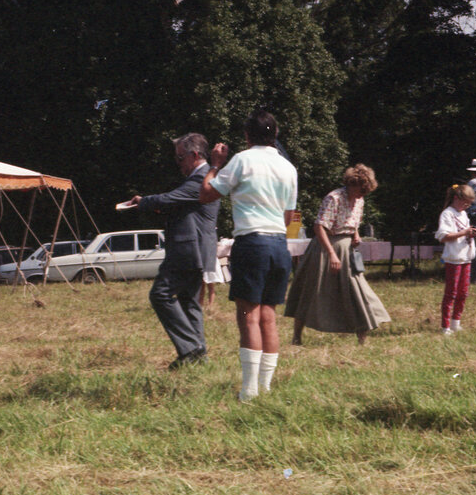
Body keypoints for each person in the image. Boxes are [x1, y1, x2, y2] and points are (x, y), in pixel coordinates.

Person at [200, 109, 298, 402]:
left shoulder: (241, 160)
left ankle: (248, 390)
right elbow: (290, 216)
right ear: (275, 135)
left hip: (251, 242)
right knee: (268, 316)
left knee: (248, 316)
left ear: (246, 135)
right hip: (279, 244)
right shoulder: (288, 167)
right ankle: (265, 387)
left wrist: (215, 165)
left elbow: (206, 193)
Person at [127, 133, 220, 370]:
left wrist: (143, 201)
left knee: (160, 294)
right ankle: (199, 359)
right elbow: (182, 207)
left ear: (194, 155)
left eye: (180, 159)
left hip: (188, 250)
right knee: (189, 302)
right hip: (198, 250)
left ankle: (191, 349)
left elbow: (171, 198)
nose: (178, 164)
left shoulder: (202, 178)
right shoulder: (205, 177)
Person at [284, 164, 390, 345]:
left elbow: (354, 221)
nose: (362, 195)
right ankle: (297, 337)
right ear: (351, 184)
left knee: (356, 290)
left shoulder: (360, 200)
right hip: (325, 248)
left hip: (347, 248)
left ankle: (362, 339)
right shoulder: (333, 198)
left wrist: (355, 235)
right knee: (310, 290)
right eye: (360, 190)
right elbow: (319, 227)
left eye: (365, 192)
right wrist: (331, 254)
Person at [435, 184, 476, 335]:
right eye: (465, 202)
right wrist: (464, 232)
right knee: (451, 293)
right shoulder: (447, 214)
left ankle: (456, 323)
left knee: (463, 293)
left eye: (469, 203)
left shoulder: (463, 214)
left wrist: (470, 233)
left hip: (466, 257)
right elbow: (443, 236)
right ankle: (445, 326)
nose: (467, 206)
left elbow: (463, 232)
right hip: (453, 258)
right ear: (456, 198)